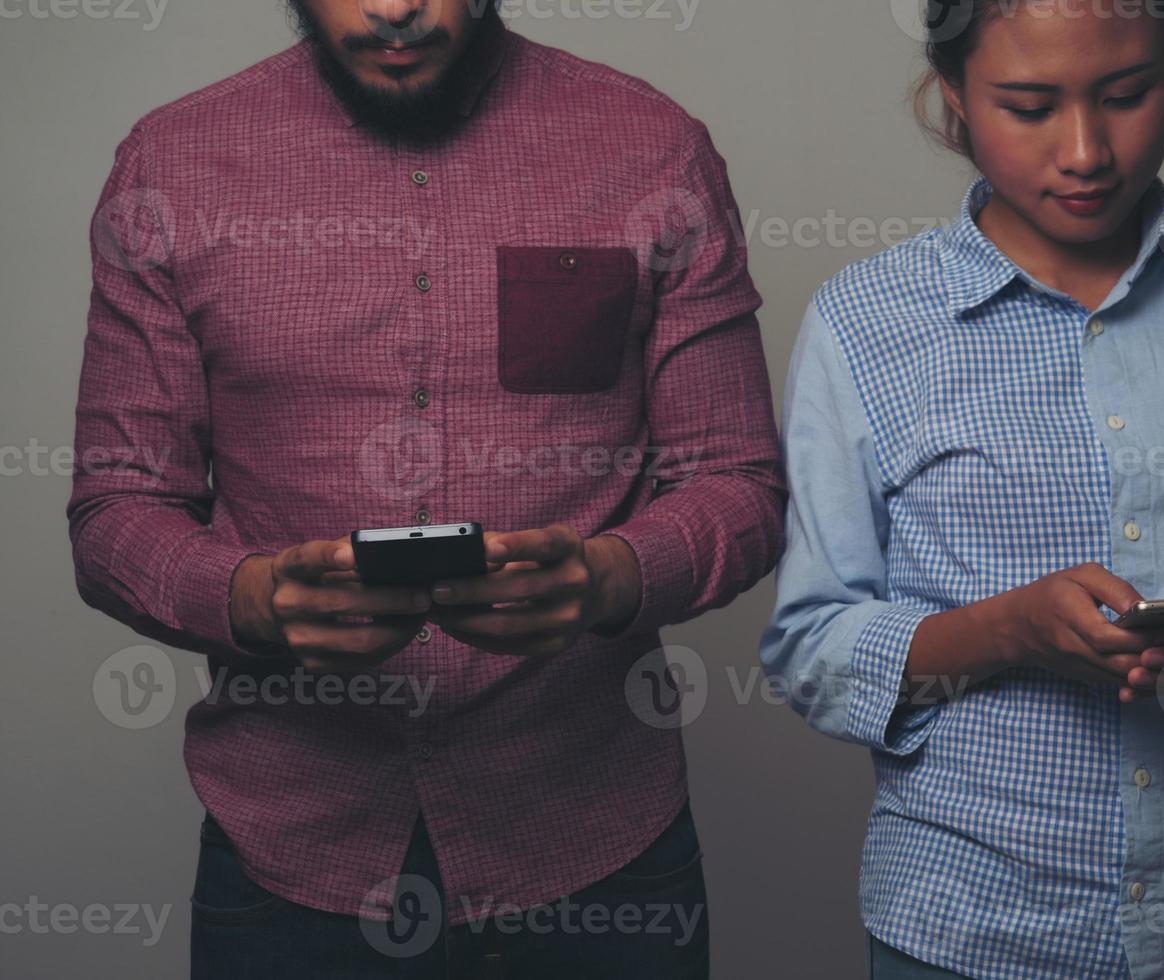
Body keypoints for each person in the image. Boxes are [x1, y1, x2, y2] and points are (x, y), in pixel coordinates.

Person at [67, 1, 785, 976]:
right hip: (289, 865)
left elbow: (737, 481)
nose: (397, 4)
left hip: (597, 854)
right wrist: (255, 599)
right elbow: (115, 510)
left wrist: (609, 576)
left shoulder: (653, 150)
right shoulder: (169, 168)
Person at [759, 2, 1164, 977]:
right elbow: (809, 644)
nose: (1085, 150)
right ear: (952, 103)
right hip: (968, 926)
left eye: (1127, 95)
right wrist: (1008, 630)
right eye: (1027, 105)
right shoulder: (865, 322)